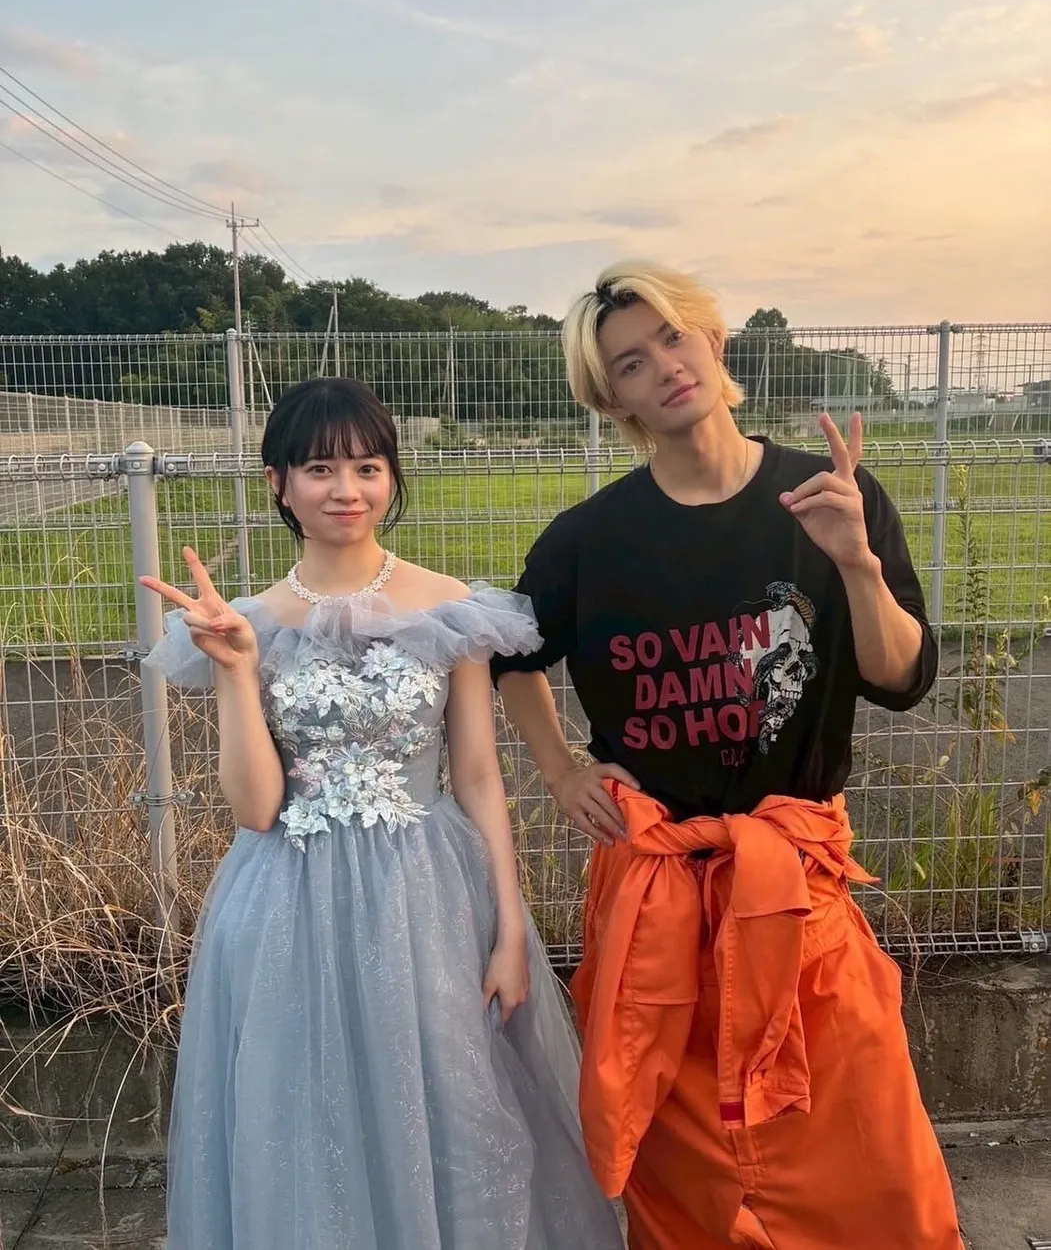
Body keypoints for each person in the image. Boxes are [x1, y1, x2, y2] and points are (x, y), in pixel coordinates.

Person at [490, 260, 964, 1250]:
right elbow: (511, 658)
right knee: (687, 1175)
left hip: (797, 897)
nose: (663, 366)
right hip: (658, 911)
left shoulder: (827, 496)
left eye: (672, 337)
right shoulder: (588, 541)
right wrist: (562, 770)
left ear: (712, 339)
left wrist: (855, 563)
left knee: (866, 1155)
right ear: (611, 399)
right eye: (630, 362)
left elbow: (899, 676)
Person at [140, 376, 624, 1250]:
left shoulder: (449, 606)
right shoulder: (250, 621)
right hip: (286, 905)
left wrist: (510, 927)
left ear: (391, 475)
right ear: (278, 482)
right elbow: (255, 807)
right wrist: (238, 671)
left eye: (367, 466)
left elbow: (477, 775)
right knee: (301, 1117)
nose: (346, 489)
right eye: (319, 468)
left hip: (427, 896)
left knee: (455, 1106)